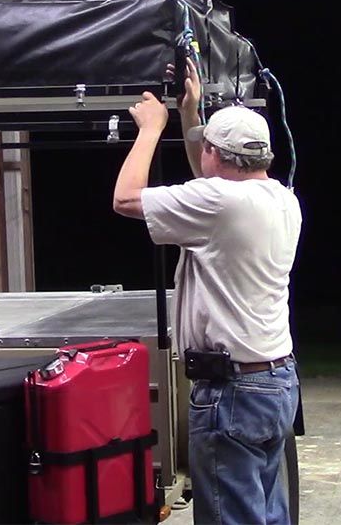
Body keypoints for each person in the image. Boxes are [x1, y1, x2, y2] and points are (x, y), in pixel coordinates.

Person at [113, 58, 302, 525]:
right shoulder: (280, 198)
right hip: (275, 382)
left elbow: (125, 199)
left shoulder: (219, 202)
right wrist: (190, 116)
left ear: (218, 155)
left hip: (233, 392)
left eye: (206, 149)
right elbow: (210, 181)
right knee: (266, 512)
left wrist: (151, 128)